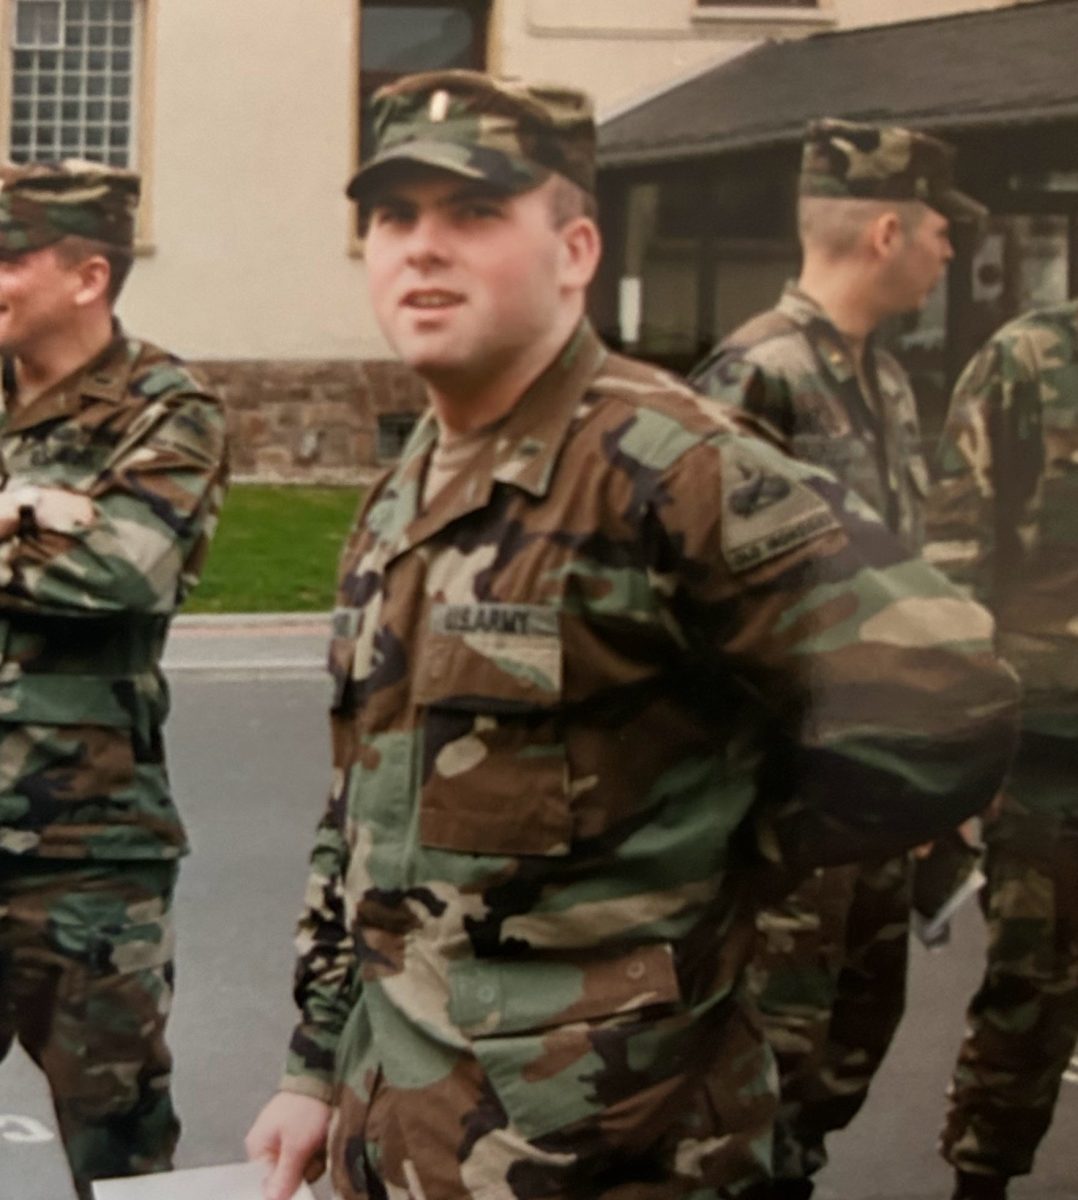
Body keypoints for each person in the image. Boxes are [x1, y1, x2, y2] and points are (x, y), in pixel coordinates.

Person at [245, 72, 1018, 1200]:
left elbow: (950, 695)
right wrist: (313, 1070)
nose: (421, 249)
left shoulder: (675, 469)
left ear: (574, 251)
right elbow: (360, 814)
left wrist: (725, 852)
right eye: (394, 217)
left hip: (618, 1146)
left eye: (473, 215)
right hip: (405, 1128)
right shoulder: (402, 491)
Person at [688, 117, 986, 1199]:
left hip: (873, 814)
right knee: (759, 1081)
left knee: (834, 1071)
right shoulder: (753, 378)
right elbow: (699, 616)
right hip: (785, 828)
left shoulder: (887, 383)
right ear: (889, 230)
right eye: (944, 229)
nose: (953, 249)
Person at [0, 161, 228, 1199]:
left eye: (9, 256)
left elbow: (123, 572)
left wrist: (49, 528)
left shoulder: (166, 408)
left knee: (123, 1158)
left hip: (88, 859)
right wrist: (28, 511)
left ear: (88, 275)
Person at [925, 301, 1078, 1200]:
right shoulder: (1030, 359)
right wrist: (963, 745)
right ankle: (981, 1179)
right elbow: (955, 556)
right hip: (1053, 750)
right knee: (1033, 988)